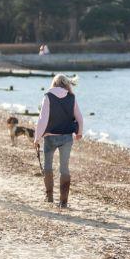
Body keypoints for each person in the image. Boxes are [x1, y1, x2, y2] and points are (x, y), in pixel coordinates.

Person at [34, 74, 83, 207]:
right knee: (64, 168)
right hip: (67, 137)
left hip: (50, 137)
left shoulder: (48, 96)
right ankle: (63, 201)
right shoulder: (71, 97)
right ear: (67, 84)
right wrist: (79, 133)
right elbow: (79, 117)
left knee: (48, 166)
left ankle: (49, 197)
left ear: (53, 83)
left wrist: (37, 138)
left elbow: (42, 119)